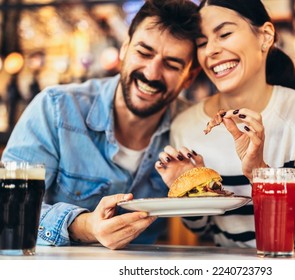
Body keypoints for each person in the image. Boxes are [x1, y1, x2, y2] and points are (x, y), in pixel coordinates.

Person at [156, 0, 295, 250]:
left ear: (265, 36)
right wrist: (188, 190)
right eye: (201, 43)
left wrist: (259, 173)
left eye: (225, 34)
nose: (211, 51)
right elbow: (204, 227)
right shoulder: (186, 126)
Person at [1, 0, 201, 250]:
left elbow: (203, 224)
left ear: (189, 77)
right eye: (143, 52)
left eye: (172, 64)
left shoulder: (192, 127)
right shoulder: (55, 108)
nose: (152, 73)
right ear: (124, 49)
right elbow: (8, 210)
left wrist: (192, 190)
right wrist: (85, 226)